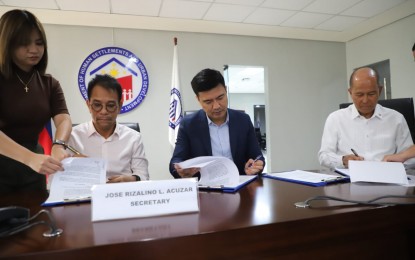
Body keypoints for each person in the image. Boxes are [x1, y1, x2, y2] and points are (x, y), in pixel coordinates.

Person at [0, 10, 72, 193]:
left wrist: (59, 144)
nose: (34, 50)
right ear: (6, 43)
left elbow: (63, 119)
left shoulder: (49, 83)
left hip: (34, 169)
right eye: (24, 43)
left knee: (37, 218)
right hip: (7, 164)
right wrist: (28, 158)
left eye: (39, 43)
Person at [169, 68, 264, 178]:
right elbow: (175, 161)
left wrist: (256, 165)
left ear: (226, 90)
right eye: (208, 102)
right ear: (198, 99)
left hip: (240, 184)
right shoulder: (189, 124)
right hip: (205, 189)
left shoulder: (243, 120)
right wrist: (180, 170)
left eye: (220, 97)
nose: (216, 106)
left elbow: (257, 156)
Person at [318, 67, 413, 169]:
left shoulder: (396, 119)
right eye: (359, 94)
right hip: (348, 180)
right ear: (350, 92)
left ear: (379, 90)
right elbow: (324, 156)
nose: (365, 100)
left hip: (387, 179)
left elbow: (411, 158)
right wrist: (343, 160)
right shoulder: (335, 119)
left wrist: (396, 164)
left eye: (371, 94)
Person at [67, 74, 149, 182]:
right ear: (88, 105)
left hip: (122, 195)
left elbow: (143, 176)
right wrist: (71, 167)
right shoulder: (72, 136)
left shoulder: (134, 138)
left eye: (110, 105)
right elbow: (57, 179)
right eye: (97, 105)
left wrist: (129, 180)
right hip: (86, 196)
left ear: (119, 106)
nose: (104, 111)